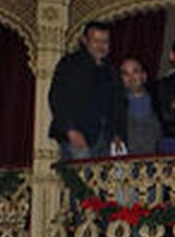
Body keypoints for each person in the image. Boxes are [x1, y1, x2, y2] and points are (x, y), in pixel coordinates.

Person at [47, 21, 122, 160]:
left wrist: (116, 133)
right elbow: (57, 98)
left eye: (105, 41)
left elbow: (117, 104)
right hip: (78, 136)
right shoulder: (70, 64)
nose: (101, 45)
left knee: (106, 180)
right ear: (84, 40)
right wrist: (70, 130)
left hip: (105, 139)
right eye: (96, 40)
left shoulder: (111, 69)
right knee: (80, 180)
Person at [115, 58, 162, 156]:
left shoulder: (159, 102)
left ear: (144, 76)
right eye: (125, 73)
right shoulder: (114, 105)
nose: (131, 77)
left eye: (135, 71)